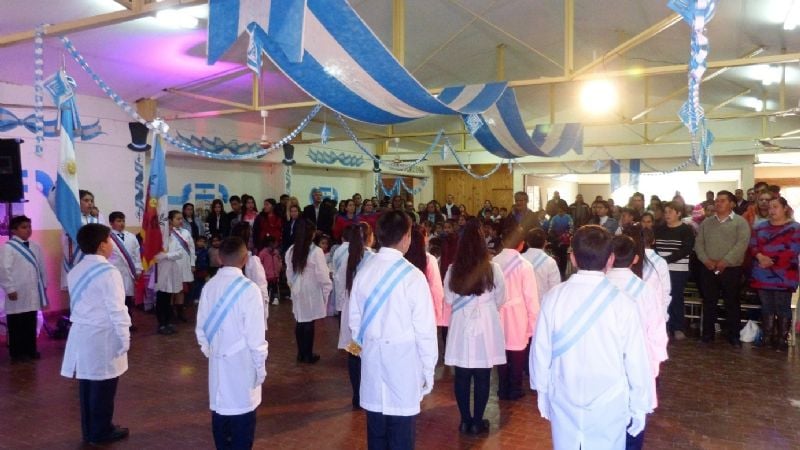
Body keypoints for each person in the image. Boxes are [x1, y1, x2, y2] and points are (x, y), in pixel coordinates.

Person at [531, 225, 653, 450]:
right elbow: (636, 360)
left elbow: (540, 350)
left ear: (573, 258)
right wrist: (640, 405)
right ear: (610, 260)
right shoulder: (624, 303)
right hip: (609, 400)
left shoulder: (553, 298)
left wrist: (542, 390)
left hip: (564, 393)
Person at [349, 210, 437, 448]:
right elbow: (426, 333)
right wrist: (428, 371)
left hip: (372, 363)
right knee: (401, 437)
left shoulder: (364, 272)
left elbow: (354, 323)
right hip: (404, 366)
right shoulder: (413, 277)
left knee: (376, 436)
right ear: (407, 236)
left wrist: (365, 348)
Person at [60, 223, 131, 445]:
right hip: (102, 335)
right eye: (110, 240)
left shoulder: (77, 269)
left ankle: (91, 429)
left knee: (88, 385)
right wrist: (124, 338)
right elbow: (116, 309)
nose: (112, 244)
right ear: (102, 246)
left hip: (82, 334)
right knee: (104, 385)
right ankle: (100, 432)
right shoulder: (109, 272)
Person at [195, 236, 268, 450]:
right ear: (245, 259)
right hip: (243, 366)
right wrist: (260, 368)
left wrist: (213, 352)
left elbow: (201, 330)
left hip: (218, 362)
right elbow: (256, 339)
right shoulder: (250, 289)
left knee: (220, 415)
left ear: (219, 258)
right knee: (242, 420)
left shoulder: (209, 287)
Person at [443, 218, 507, 435]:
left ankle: (465, 420)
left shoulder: (453, 269)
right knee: (483, 374)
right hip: (486, 323)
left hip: (461, 322)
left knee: (461, 374)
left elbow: (449, 299)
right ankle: (478, 421)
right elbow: (501, 298)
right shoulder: (493, 269)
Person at [607, 235, 668, 448]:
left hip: (603, 363)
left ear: (609, 257)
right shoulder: (645, 290)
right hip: (637, 363)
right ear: (635, 259)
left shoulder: (598, 286)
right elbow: (657, 333)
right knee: (633, 422)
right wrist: (653, 367)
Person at [694, 191, 751, 347]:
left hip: (731, 269)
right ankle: (707, 335)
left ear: (731, 204)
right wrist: (706, 260)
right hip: (708, 268)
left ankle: (734, 336)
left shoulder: (740, 222)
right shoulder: (707, 222)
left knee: (731, 302)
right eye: (717, 201)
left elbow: (742, 244)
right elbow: (699, 244)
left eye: (723, 201)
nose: (718, 203)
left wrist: (725, 261)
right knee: (709, 301)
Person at [493, 222, 539, 401]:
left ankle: (502, 387)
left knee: (501, 350)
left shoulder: (494, 262)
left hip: (497, 311)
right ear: (522, 244)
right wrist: (534, 322)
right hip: (518, 313)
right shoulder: (524, 265)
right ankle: (515, 388)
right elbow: (531, 297)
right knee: (517, 351)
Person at [749, 196, 800, 351]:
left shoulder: (795, 227)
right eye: (770, 207)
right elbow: (752, 245)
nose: (771, 210)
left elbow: (793, 249)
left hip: (784, 274)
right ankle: (767, 337)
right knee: (766, 306)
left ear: (785, 208)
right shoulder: (759, 226)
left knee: (782, 306)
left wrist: (771, 260)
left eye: (775, 207)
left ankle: (781, 340)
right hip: (762, 273)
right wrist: (760, 257)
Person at [335, 223, 374, 409]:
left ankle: (356, 395)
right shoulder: (373, 260)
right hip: (369, 313)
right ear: (370, 238)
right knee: (368, 355)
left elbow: (341, 287)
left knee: (354, 352)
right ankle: (367, 393)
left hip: (351, 314)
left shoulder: (349, 259)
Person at [0, 215, 48, 362]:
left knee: (30, 321)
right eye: (23, 227)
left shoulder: (35, 246)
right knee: (16, 323)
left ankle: (30, 349)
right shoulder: (7, 247)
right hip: (17, 291)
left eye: (29, 227)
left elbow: (41, 268)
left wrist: (44, 285)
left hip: (32, 290)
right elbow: (3, 269)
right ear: (14, 230)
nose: (28, 230)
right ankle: (17, 353)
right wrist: (10, 288)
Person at [286, 219, 333, 363]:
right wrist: (327, 288)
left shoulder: (291, 250)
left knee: (300, 320)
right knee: (309, 322)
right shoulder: (316, 251)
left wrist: (292, 287)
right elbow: (322, 274)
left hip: (297, 288)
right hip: (311, 289)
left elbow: (288, 271)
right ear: (311, 234)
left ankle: (301, 353)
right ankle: (307, 354)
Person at [654, 202, 695, 340]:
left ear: (678, 213)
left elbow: (686, 249)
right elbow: (653, 246)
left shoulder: (686, 229)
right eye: (665, 212)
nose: (667, 215)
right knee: (660, 297)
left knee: (676, 296)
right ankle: (663, 327)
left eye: (670, 212)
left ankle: (677, 327)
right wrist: (658, 260)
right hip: (660, 269)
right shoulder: (659, 229)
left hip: (678, 269)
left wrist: (667, 260)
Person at [405, 225, 446, 361]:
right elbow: (436, 290)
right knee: (423, 352)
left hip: (403, 310)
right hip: (424, 310)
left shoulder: (402, 258)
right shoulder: (429, 259)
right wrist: (438, 316)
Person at [154, 210, 195, 334]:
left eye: (181, 219)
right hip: (162, 271)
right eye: (177, 219)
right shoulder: (161, 237)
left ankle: (168, 322)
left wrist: (167, 255)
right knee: (162, 298)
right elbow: (157, 256)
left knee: (171, 294)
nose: (180, 221)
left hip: (174, 270)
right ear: (169, 222)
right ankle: (161, 323)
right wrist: (167, 256)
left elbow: (180, 253)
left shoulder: (180, 234)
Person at [230, 223, 271, 329]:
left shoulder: (228, 260)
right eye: (251, 236)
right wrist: (263, 315)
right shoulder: (252, 262)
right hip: (247, 313)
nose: (253, 239)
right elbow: (262, 290)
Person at [107, 211, 142, 330]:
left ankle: (128, 322)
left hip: (128, 272)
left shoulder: (131, 237)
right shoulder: (108, 238)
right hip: (114, 272)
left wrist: (138, 270)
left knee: (128, 299)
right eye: (118, 221)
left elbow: (136, 255)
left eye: (123, 221)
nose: (121, 223)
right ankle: (117, 323)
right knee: (116, 299)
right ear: (111, 223)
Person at [522, 228, 561, 300]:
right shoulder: (550, 262)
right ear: (545, 243)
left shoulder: (519, 260)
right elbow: (555, 288)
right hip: (542, 305)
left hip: (522, 305)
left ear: (527, 243)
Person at [258, 236, 283, 306]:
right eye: (275, 242)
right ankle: (266, 300)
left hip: (275, 275)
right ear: (270, 243)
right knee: (267, 288)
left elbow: (279, 260)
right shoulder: (262, 253)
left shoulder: (276, 252)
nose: (276, 244)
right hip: (266, 276)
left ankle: (275, 299)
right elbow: (260, 264)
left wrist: (279, 268)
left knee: (275, 287)